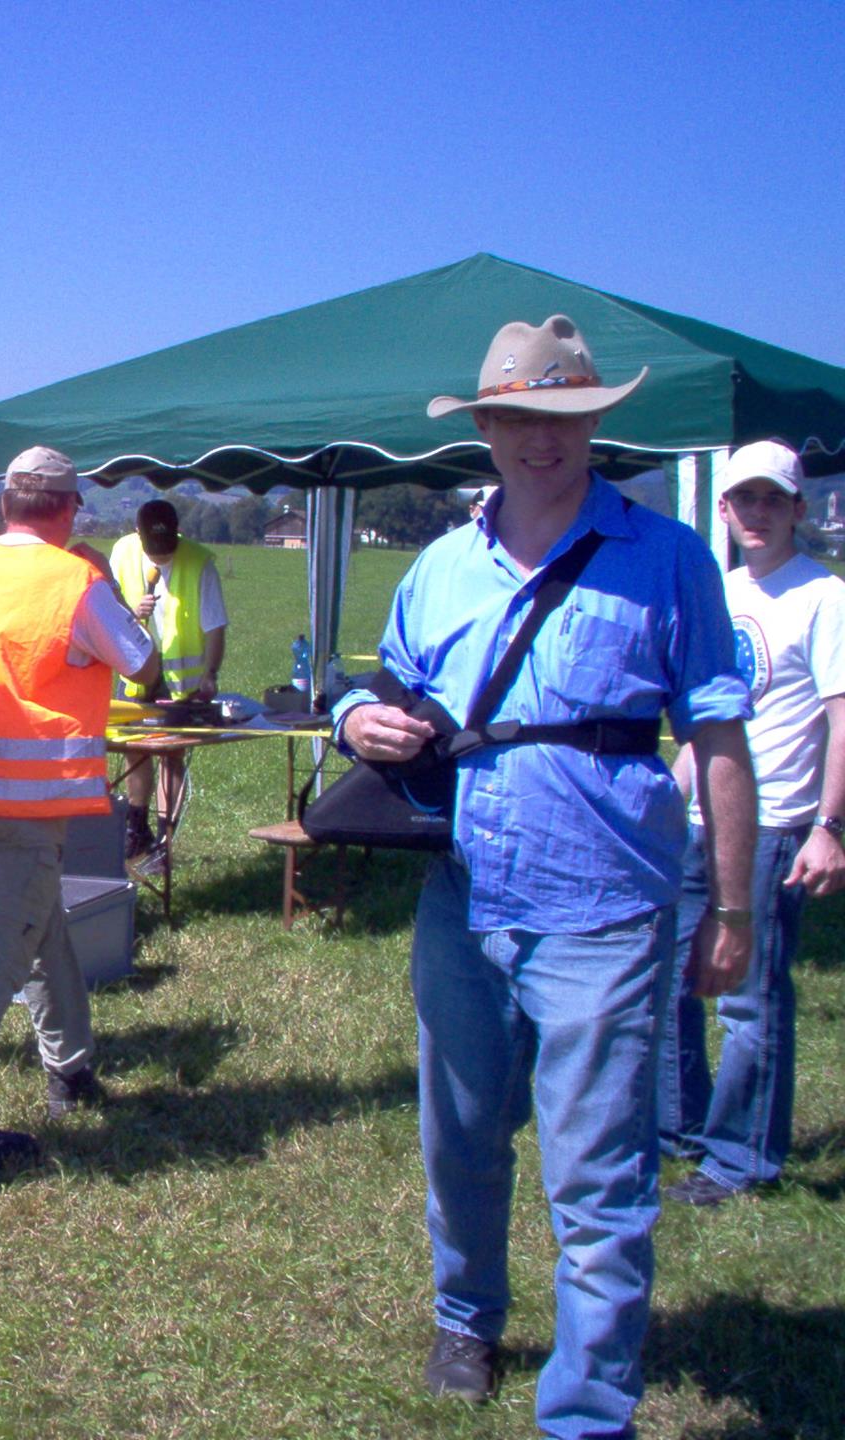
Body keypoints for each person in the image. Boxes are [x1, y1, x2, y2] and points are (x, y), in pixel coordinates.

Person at [334, 315, 755, 1436]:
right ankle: (466, 1317)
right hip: (464, 899)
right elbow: (386, 686)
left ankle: (588, 1410)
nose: (542, 438)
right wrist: (355, 717)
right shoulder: (440, 566)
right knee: (461, 1138)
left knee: (600, 1174)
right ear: (485, 426)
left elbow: (718, 737)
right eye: (519, 417)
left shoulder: (668, 557)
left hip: (605, 908)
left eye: (564, 416)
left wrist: (733, 905)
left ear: (595, 423)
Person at [0, 445, 160, 1168]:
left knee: (40, 923)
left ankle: (70, 1068)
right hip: (30, 803)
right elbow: (143, 664)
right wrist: (107, 584)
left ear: (5, 505)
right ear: (69, 508)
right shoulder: (78, 581)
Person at [660, 439, 845, 1206]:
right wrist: (665, 800)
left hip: (774, 825)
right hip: (696, 819)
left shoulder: (825, 598)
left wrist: (829, 826)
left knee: (749, 999)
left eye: (773, 499)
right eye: (744, 499)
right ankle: (679, 1130)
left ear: (799, 509)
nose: (757, 513)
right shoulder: (721, 591)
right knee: (670, 978)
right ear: (725, 508)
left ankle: (741, 1161)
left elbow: (841, 719)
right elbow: (706, 721)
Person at [108, 498, 229, 871]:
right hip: (137, 668)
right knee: (134, 747)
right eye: (154, 551)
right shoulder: (122, 553)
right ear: (137, 534)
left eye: (167, 550)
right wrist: (132, 613)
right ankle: (137, 826)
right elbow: (108, 608)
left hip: (182, 681)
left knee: (171, 755)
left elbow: (215, 627)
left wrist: (211, 673)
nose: (161, 558)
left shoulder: (200, 564)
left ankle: (165, 841)